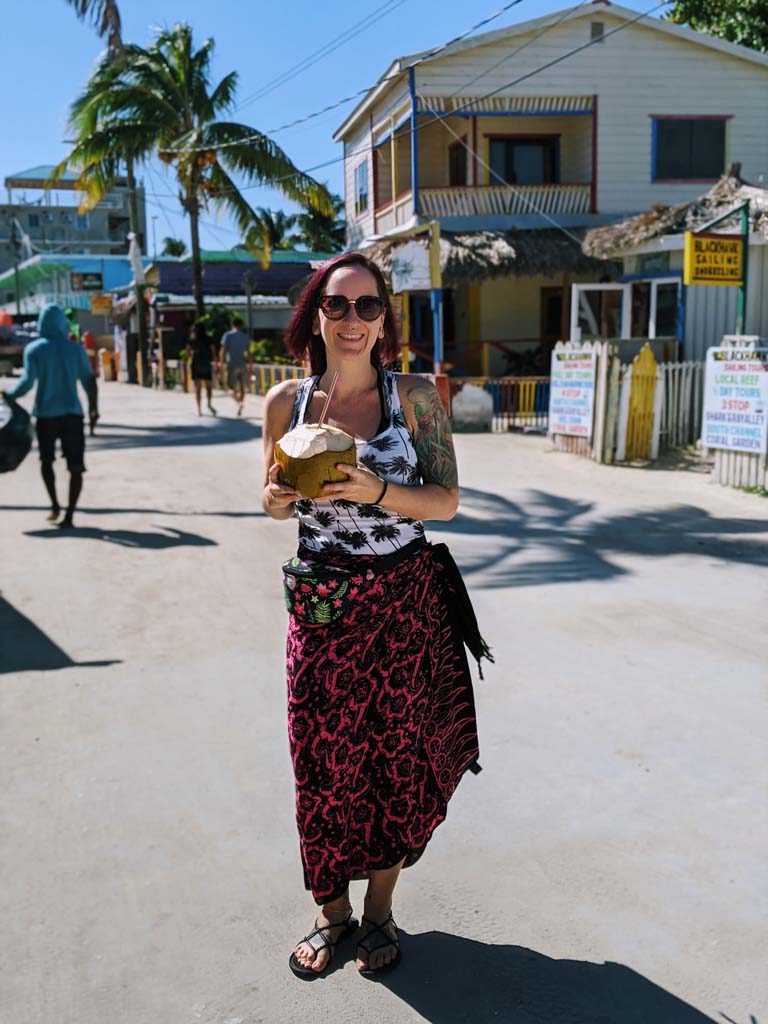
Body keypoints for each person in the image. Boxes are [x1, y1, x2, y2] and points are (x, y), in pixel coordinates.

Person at [262, 252, 490, 980]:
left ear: (384, 318)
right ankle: (331, 915)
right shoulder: (285, 403)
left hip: (403, 607)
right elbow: (271, 500)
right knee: (320, 762)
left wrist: (374, 489)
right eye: (338, 305)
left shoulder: (415, 398)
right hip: (323, 608)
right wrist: (275, 496)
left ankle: (381, 912)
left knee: (397, 760)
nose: (353, 320)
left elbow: (446, 500)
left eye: (367, 307)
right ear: (315, 316)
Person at [2, 303, 97, 528]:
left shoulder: (35, 350)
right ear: (63, 324)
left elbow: (26, 383)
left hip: (46, 416)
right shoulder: (75, 349)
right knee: (76, 466)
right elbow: (89, 381)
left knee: (46, 461)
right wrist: (94, 408)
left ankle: (55, 505)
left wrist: (8, 394)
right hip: (73, 415)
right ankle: (70, 515)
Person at [219, 315, 251, 416]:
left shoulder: (228, 335)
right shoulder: (245, 337)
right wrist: (250, 365)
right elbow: (249, 353)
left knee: (230, 388)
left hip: (232, 364)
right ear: (241, 326)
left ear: (232, 325)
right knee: (242, 387)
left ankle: (239, 403)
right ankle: (240, 408)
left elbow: (223, 350)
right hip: (242, 364)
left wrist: (221, 362)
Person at [188, 319, 217, 416]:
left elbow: (188, 353)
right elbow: (213, 352)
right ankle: (209, 404)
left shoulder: (192, 340)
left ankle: (199, 410)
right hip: (206, 364)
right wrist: (215, 363)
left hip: (196, 364)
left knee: (198, 388)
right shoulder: (209, 338)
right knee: (208, 387)